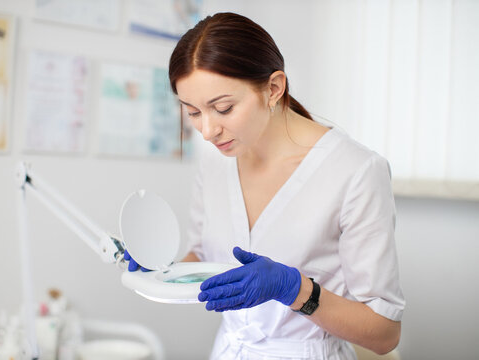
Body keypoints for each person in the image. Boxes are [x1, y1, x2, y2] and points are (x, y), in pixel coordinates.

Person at [125, 12, 405, 360]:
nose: (208, 131)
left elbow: (383, 334)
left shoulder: (356, 171)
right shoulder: (215, 161)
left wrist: (295, 289)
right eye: (193, 112)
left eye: (223, 108)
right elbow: (203, 256)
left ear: (273, 88)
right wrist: (161, 271)